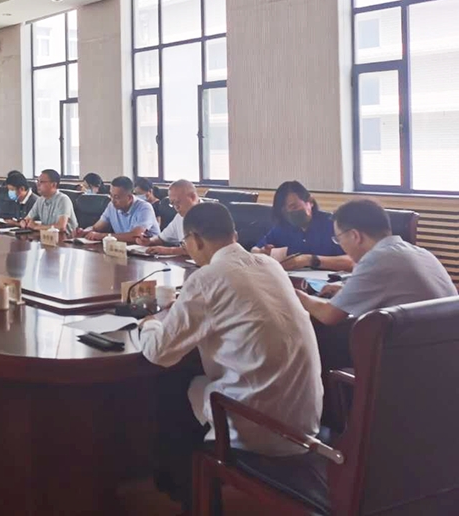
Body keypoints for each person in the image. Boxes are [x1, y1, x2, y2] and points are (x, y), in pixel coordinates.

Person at [139, 202, 322, 510]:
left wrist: (149, 324)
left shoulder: (207, 278)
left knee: (170, 385)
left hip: (259, 427)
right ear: (233, 234)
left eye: (186, 243)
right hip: (304, 419)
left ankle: (193, 497)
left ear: (195, 240)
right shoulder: (271, 266)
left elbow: (159, 353)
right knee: (193, 381)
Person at [297, 199, 456, 326]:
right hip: (446, 347)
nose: (341, 245)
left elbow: (328, 315)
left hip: (414, 351)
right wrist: (346, 292)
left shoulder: (376, 260)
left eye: (338, 239)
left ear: (355, 236)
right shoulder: (420, 252)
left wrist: (293, 294)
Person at [254, 181, 353, 271]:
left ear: (310, 202)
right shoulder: (283, 227)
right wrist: (262, 253)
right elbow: (254, 250)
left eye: (294, 206)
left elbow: (353, 261)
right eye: (284, 210)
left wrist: (309, 260)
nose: (289, 212)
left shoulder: (333, 224)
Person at [78, 176, 158, 242]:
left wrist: (102, 236)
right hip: (124, 250)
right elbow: (96, 228)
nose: (113, 200)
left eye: (116, 197)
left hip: (149, 251)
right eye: (111, 195)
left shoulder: (144, 208)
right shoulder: (111, 206)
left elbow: (136, 236)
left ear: (129, 198)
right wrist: (84, 231)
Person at [137, 180, 200, 256]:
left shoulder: (209, 214)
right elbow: (162, 238)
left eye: (178, 202)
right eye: (172, 204)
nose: (176, 207)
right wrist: (149, 241)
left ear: (193, 197)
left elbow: (203, 250)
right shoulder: (179, 217)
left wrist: (171, 251)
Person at [19, 169, 76, 235]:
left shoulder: (63, 200)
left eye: (41, 182)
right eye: (37, 181)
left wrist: (36, 227)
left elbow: (61, 227)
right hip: (47, 237)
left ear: (53, 184)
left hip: (66, 238)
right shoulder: (40, 200)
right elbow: (27, 219)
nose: (37, 184)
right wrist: (24, 222)